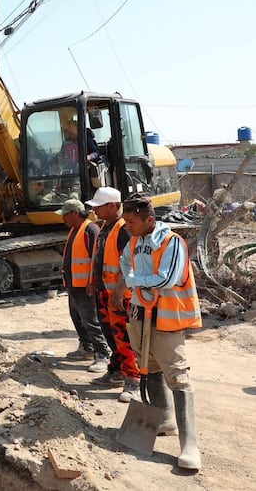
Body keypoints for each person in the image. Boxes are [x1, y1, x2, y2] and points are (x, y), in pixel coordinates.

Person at [115, 193, 202, 471]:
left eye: (131, 221)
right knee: (148, 365)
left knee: (176, 375)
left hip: (167, 315)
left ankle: (190, 446)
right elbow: (124, 262)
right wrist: (132, 280)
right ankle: (164, 419)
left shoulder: (171, 242)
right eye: (125, 220)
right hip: (141, 313)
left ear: (149, 220)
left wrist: (133, 281)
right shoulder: (134, 241)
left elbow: (167, 278)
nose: (127, 225)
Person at [84, 187, 139, 402]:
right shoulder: (106, 227)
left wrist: (119, 292)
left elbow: (129, 265)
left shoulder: (123, 229)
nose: (94, 210)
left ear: (113, 206)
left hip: (120, 296)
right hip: (105, 292)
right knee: (111, 335)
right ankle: (117, 370)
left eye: (98, 206)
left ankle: (133, 380)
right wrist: (94, 283)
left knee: (125, 338)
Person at [57, 198, 111, 373]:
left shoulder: (90, 229)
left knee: (91, 320)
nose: (63, 219)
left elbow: (96, 259)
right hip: (74, 285)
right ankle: (86, 347)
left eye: (65, 215)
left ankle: (102, 354)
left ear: (75, 213)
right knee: (77, 317)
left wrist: (92, 282)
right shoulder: (75, 229)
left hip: (85, 286)